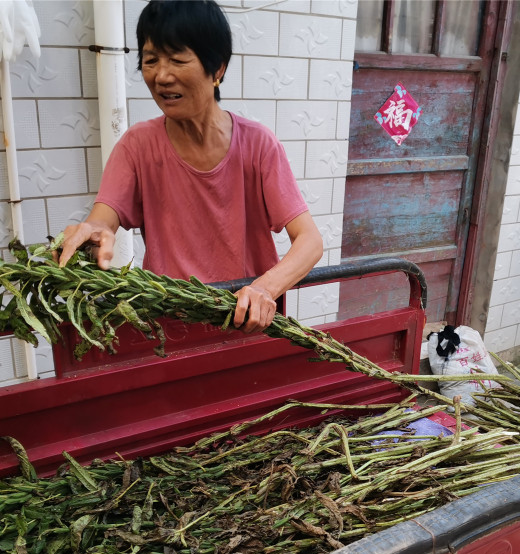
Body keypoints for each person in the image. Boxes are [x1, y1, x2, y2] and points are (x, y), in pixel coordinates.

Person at [57, 0, 323, 334]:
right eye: (151, 60)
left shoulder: (258, 145)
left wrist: (264, 288)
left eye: (178, 59)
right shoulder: (137, 146)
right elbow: (103, 219)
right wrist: (94, 231)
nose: (162, 76)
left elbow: (310, 241)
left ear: (218, 69)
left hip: (247, 322)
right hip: (171, 325)